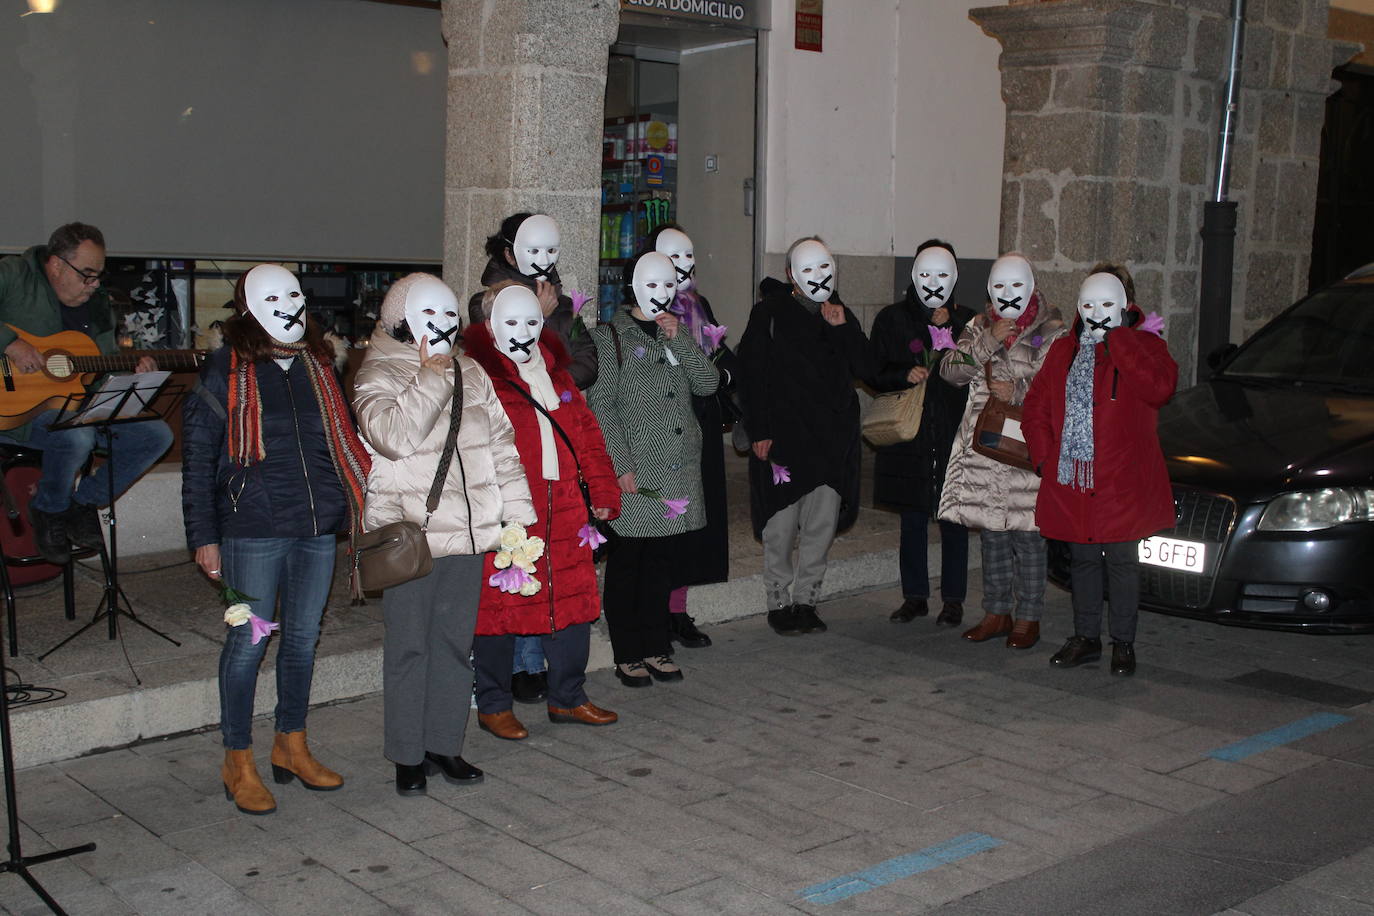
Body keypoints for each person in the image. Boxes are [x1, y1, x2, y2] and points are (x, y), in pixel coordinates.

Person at [182, 264, 371, 816]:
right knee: (248, 643)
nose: (289, 306)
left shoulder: (319, 364)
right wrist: (204, 536)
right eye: (274, 297)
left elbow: (338, 439)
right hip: (253, 529)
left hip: (315, 527)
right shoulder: (224, 369)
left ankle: (291, 743)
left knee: (303, 639)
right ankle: (237, 759)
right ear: (247, 309)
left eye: (295, 295)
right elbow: (198, 460)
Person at [353, 273, 535, 797]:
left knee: (455, 646)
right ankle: (407, 753)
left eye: (450, 313)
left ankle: (443, 744)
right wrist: (431, 377)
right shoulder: (377, 371)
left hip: (469, 533)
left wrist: (516, 516)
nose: (444, 325)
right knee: (409, 647)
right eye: (430, 314)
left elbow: (501, 446)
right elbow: (392, 437)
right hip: (413, 535)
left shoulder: (471, 370)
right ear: (402, 319)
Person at [465, 283, 621, 738]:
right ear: (490, 326)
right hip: (510, 514)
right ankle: (494, 704)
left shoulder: (559, 377)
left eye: (532, 321)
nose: (524, 331)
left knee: (571, 604)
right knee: (498, 612)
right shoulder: (479, 379)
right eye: (512, 321)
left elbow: (587, 436)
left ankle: (568, 697)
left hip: (566, 512)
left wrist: (603, 490)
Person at [466, 211, 598, 704]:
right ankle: (515, 674)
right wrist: (538, 328)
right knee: (514, 566)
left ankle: (553, 678)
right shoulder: (486, 302)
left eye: (550, 250)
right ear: (508, 252)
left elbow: (586, 362)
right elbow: (490, 361)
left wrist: (551, 363)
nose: (543, 260)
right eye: (532, 249)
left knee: (554, 566)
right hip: (510, 466)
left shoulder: (560, 304)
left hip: (554, 448)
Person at [1024, 264, 1177, 676]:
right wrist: (1045, 458)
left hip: (1122, 481)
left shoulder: (1146, 346)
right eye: (1089, 304)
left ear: (1126, 304)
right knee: (1084, 560)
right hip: (1075, 478)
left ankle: (1123, 643)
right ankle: (1086, 637)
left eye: (1108, 303)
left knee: (1123, 563)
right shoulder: (1064, 351)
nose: (1097, 313)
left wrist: (1120, 339)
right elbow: (1036, 407)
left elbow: (1159, 388)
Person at [0, 222, 173, 565]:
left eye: (98, 276)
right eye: (87, 275)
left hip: (74, 406)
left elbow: (101, 369)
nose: (94, 285)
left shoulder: (97, 305)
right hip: (15, 412)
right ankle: (49, 510)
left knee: (156, 435)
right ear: (56, 265)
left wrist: (131, 376)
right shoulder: (14, 274)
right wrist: (10, 343)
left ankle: (82, 504)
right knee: (76, 435)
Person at [586, 251, 718, 687]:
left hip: (676, 470)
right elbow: (602, 405)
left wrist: (681, 339)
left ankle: (657, 646)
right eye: (652, 283)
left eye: (668, 284)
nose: (662, 292)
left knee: (662, 565)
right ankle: (628, 653)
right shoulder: (609, 336)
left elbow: (708, 384)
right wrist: (619, 465)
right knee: (629, 564)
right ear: (632, 285)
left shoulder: (673, 332)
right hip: (637, 470)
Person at [737, 237, 875, 636]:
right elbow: (751, 372)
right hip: (784, 440)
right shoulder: (769, 312)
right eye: (808, 268)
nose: (818, 276)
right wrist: (760, 429)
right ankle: (778, 600)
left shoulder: (839, 312)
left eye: (824, 266)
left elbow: (866, 367)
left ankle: (807, 600)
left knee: (820, 526)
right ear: (791, 275)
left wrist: (842, 328)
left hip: (831, 442)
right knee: (780, 526)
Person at [938, 253, 1065, 648]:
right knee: (992, 533)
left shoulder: (1053, 331)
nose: (1008, 293)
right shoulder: (978, 326)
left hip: (1027, 448)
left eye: (1016, 284)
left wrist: (1020, 392)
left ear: (1032, 286)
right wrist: (988, 341)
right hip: (985, 448)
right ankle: (996, 612)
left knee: (1028, 536)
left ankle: (1029, 617)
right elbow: (950, 372)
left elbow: (1060, 388)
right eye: (999, 286)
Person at [869, 240, 976, 626]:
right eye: (926, 274)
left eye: (942, 274)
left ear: (955, 277)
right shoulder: (891, 319)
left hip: (953, 433)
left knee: (954, 519)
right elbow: (873, 370)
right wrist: (903, 373)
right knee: (912, 519)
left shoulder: (969, 321)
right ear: (914, 275)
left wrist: (952, 328)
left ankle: (953, 599)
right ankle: (914, 596)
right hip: (910, 435)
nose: (933, 282)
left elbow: (977, 368)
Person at [651, 225, 738, 649]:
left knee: (693, 521)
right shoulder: (644, 312)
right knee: (666, 520)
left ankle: (677, 610)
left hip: (700, 424)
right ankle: (656, 610)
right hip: (662, 430)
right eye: (673, 258)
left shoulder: (699, 305)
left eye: (688, 255)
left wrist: (723, 375)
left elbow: (724, 357)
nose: (684, 265)